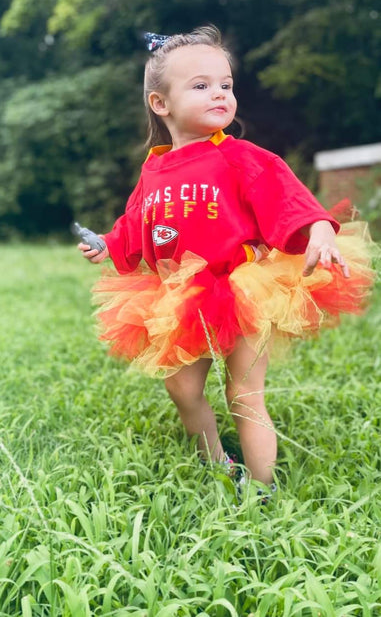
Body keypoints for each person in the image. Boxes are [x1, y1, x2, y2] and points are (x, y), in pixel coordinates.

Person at [77, 25, 374, 491]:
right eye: (201, 86)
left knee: (244, 391)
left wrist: (319, 230)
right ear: (161, 103)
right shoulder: (154, 168)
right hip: (181, 298)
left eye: (226, 85)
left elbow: (292, 201)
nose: (219, 94)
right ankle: (218, 462)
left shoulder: (241, 158)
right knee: (183, 388)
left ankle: (261, 487)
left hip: (244, 288)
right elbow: (137, 220)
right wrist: (107, 244)